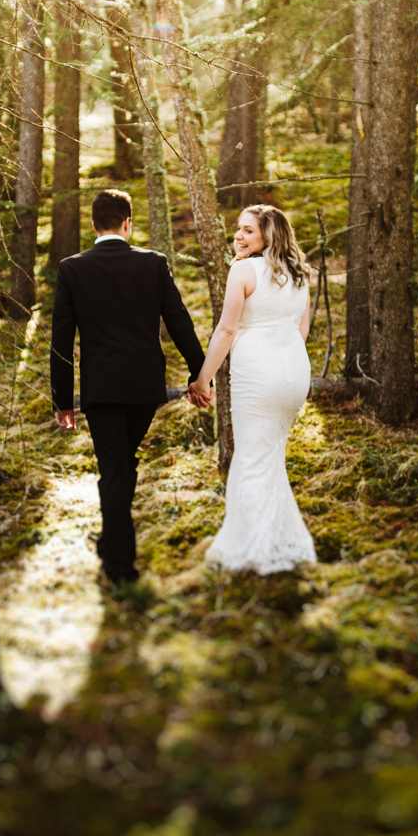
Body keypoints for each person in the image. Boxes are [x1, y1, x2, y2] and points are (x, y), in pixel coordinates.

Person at [50, 188, 211, 587]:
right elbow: (180, 323)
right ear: (128, 223)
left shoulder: (72, 269)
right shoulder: (153, 264)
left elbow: (61, 340)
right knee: (123, 465)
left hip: (100, 390)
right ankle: (113, 547)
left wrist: (61, 400)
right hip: (144, 389)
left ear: (92, 225)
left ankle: (119, 563)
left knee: (114, 469)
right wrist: (198, 374)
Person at [195, 203, 316, 574]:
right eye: (239, 229)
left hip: (258, 378)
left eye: (248, 230)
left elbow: (227, 330)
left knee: (250, 458)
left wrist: (203, 378)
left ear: (268, 235)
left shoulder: (243, 270)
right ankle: (282, 541)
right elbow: (302, 330)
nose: (239, 235)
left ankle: (249, 550)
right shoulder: (300, 274)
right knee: (269, 458)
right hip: (294, 374)